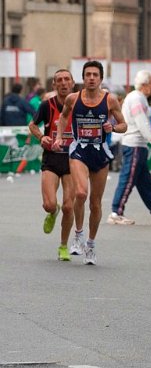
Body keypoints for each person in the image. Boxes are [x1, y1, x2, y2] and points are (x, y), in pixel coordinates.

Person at [54, 61, 128, 265]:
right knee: (80, 193)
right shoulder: (73, 98)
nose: (91, 78)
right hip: (78, 151)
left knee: (95, 204)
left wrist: (112, 127)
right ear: (83, 77)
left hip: (100, 153)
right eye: (88, 74)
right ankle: (77, 234)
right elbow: (63, 117)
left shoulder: (110, 100)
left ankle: (91, 244)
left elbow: (124, 125)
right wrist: (60, 137)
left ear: (101, 78)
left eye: (95, 74)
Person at [107, 70, 151, 226]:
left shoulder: (137, 97)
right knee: (128, 179)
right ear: (145, 85)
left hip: (137, 144)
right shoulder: (137, 99)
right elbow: (142, 123)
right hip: (134, 144)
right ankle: (116, 212)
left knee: (145, 181)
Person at [27, 69, 76, 261]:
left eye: (67, 79)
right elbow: (32, 125)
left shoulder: (80, 105)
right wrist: (42, 136)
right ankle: (52, 211)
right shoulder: (47, 105)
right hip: (52, 159)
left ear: (72, 83)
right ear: (54, 85)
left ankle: (63, 246)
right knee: (48, 205)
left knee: (69, 206)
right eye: (59, 80)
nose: (63, 83)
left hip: (73, 160)